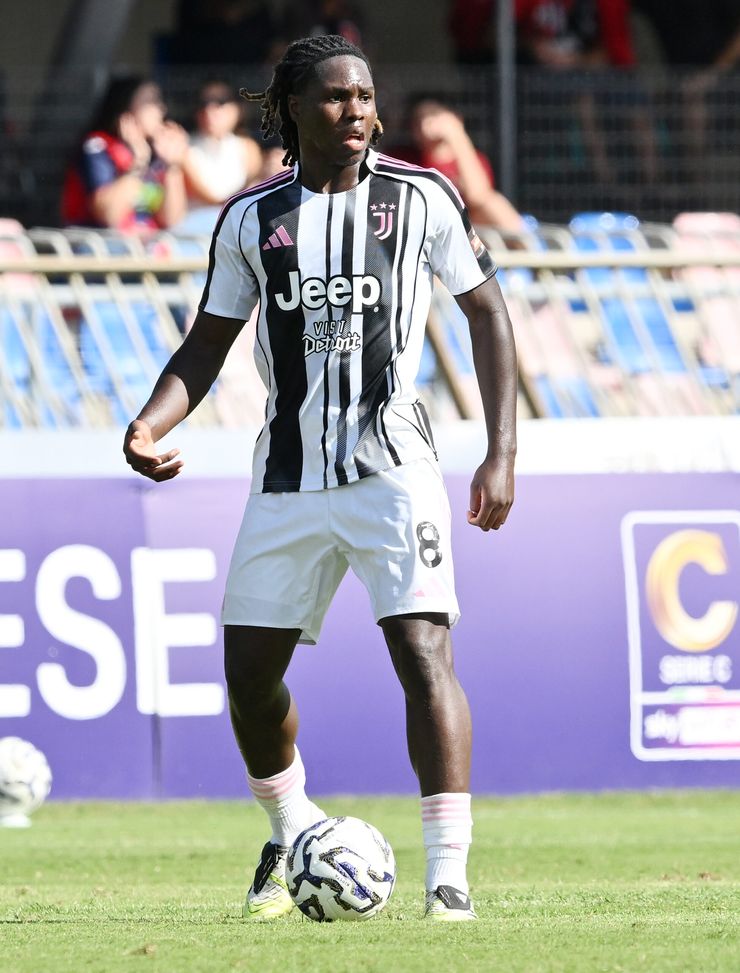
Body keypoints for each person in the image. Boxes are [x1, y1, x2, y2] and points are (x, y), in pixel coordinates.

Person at [123, 34, 517, 922]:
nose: (357, 112)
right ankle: (291, 828)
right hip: (288, 480)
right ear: (293, 109)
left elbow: (488, 313)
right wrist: (150, 420)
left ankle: (447, 875)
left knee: (423, 654)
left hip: (395, 472)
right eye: (336, 98)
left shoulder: (422, 199)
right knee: (248, 677)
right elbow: (207, 344)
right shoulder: (251, 219)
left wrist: (502, 450)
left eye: (367, 97)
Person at [61, 77, 189, 235]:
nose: (161, 109)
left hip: (146, 245)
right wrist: (139, 162)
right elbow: (108, 215)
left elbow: (172, 220)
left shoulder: (156, 152)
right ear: (126, 111)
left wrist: (172, 166)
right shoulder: (98, 146)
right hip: (101, 245)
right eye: (151, 102)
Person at [393, 96, 524, 234]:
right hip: (423, 226)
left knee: (495, 204)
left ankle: (533, 252)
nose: (426, 125)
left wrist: (456, 134)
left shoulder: (471, 157)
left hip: (467, 228)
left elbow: (478, 197)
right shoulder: (403, 158)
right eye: (419, 120)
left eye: (434, 116)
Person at [179, 81, 264, 233]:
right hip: (197, 231)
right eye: (203, 103)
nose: (210, 109)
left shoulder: (248, 147)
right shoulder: (184, 147)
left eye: (221, 102)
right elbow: (210, 197)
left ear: (238, 109)